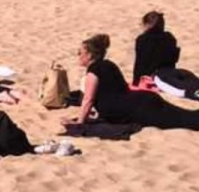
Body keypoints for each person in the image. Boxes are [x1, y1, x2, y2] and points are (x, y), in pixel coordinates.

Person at [65, 34, 199, 131]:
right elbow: (115, 90)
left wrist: (80, 122)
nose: (78, 55)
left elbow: (88, 99)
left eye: (80, 52)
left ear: (89, 55)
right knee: (184, 115)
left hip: (137, 109)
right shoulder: (109, 64)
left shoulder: (93, 71)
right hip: (141, 99)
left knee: (186, 121)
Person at [134, 11, 199, 98]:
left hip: (160, 76)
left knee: (185, 92)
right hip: (176, 72)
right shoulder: (170, 37)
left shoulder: (142, 39)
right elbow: (174, 58)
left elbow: (140, 63)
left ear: (147, 25)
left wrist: (136, 83)